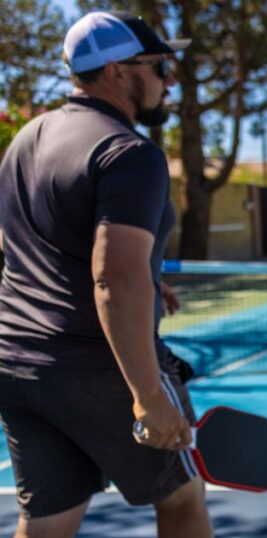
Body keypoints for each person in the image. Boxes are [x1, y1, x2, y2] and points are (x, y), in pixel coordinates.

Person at [0, 11, 213, 537]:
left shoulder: (28, 139)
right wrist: (147, 395)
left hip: (19, 365)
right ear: (118, 71)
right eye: (161, 66)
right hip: (98, 368)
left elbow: (30, 244)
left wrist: (146, 277)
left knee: (48, 521)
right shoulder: (131, 153)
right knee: (184, 498)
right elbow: (113, 279)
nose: (170, 79)